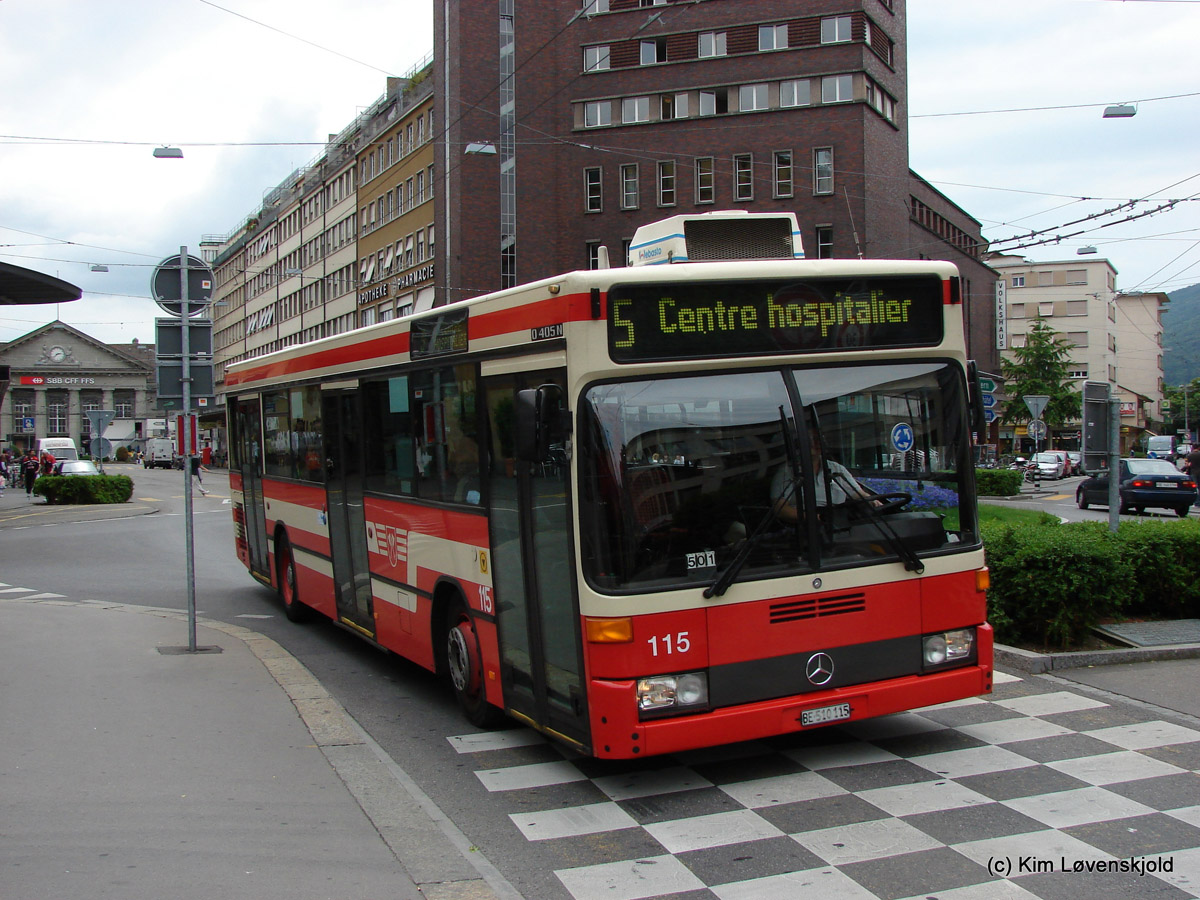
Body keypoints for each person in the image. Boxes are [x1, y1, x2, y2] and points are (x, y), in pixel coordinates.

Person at [772, 430, 876, 524]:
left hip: (838, 522)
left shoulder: (836, 468)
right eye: (812, 440)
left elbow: (857, 494)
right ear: (800, 443)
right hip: (806, 526)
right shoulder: (788, 471)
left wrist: (871, 500)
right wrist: (815, 518)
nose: (817, 443)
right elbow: (780, 509)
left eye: (820, 439)